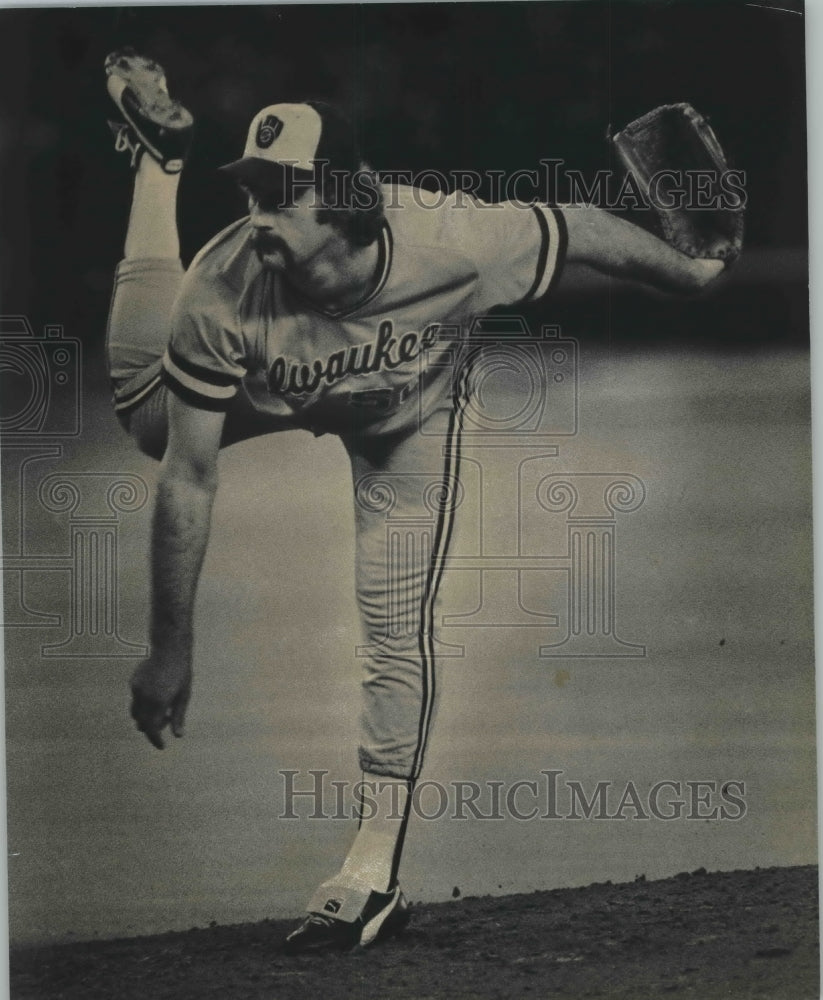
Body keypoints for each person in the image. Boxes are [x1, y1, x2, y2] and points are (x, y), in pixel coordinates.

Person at [104, 49, 724, 954]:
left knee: (396, 630)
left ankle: (367, 873)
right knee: (149, 423)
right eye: (251, 191)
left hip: (407, 416)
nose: (260, 213)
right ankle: (160, 163)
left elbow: (581, 223)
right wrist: (167, 649)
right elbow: (190, 481)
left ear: (345, 198)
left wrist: (689, 273)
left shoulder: (456, 239)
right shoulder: (224, 283)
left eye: (282, 193)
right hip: (273, 382)